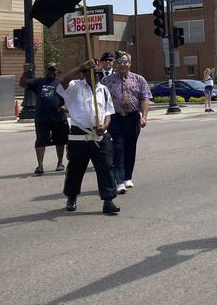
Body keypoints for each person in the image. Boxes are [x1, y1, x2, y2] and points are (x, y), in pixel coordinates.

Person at [57, 59, 120, 215]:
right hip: (79, 134)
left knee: (106, 167)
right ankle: (71, 197)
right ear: (84, 74)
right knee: (75, 169)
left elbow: (108, 113)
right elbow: (62, 81)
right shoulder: (74, 87)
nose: (95, 76)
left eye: (97, 74)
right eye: (91, 73)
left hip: (100, 135)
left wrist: (104, 126)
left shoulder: (104, 90)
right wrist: (79, 66)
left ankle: (108, 200)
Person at [101, 51, 152, 194]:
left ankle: (127, 177)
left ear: (130, 64)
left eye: (125, 62)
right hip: (115, 119)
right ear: (115, 64)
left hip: (133, 118)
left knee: (130, 148)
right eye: (119, 62)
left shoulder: (139, 79)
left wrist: (144, 116)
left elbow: (145, 98)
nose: (122, 65)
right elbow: (102, 101)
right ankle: (119, 180)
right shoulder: (107, 81)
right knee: (117, 149)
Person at [19, 62, 68, 175]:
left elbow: (71, 96)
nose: (51, 71)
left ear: (57, 71)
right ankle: (40, 166)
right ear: (46, 70)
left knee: (60, 142)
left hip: (59, 117)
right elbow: (22, 84)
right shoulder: (38, 82)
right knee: (40, 142)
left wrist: (65, 106)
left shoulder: (61, 83)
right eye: (49, 69)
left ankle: (60, 163)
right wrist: (25, 72)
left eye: (53, 70)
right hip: (42, 118)